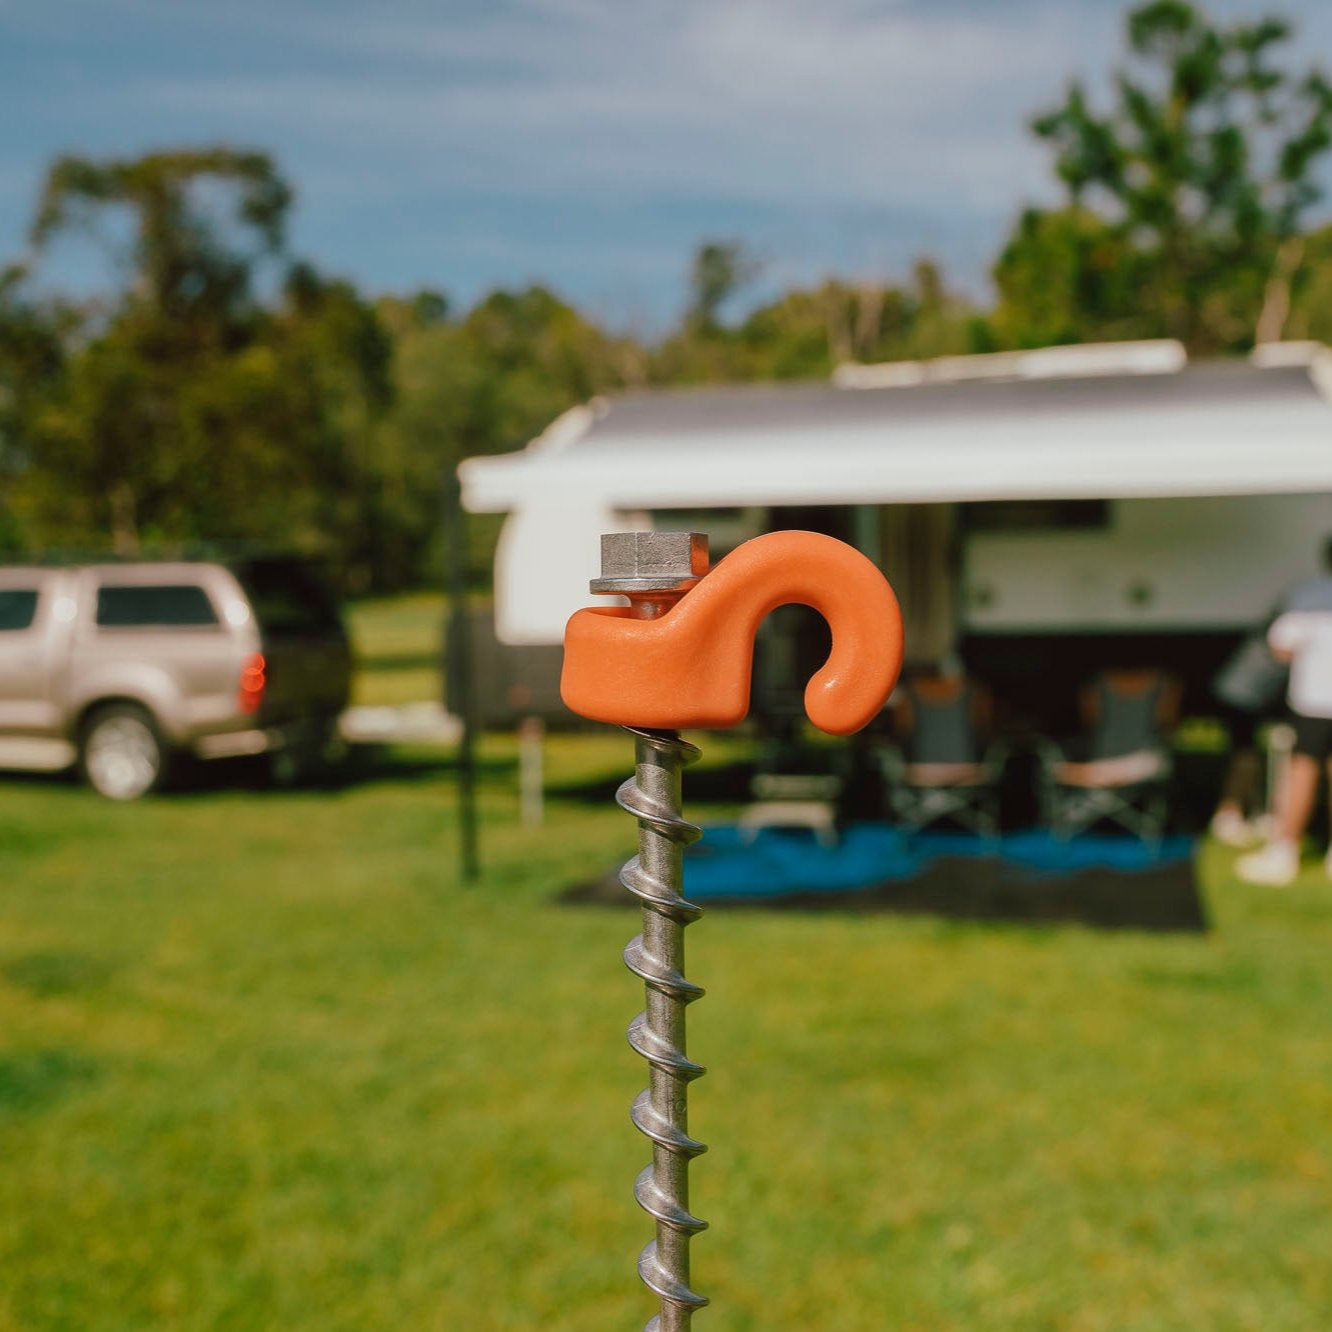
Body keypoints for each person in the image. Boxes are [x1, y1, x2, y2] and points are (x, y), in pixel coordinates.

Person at [1236, 540, 1332, 885]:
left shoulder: (1307, 594)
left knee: (1301, 772)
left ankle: (1284, 852)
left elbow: (1280, 647)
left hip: (1315, 701)